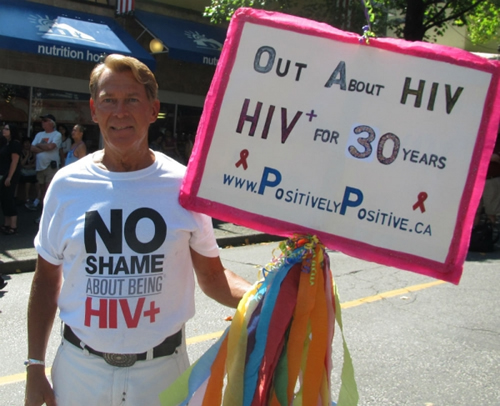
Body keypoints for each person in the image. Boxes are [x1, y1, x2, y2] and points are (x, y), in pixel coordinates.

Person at [24, 54, 251, 406]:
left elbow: (214, 278)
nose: (120, 111)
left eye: (132, 99)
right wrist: (35, 367)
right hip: (79, 373)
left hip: (163, 375)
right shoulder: (66, 184)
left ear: (152, 109)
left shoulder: (185, 187)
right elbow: (45, 282)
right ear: (94, 110)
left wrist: (269, 296)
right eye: (108, 101)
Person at [25, 115, 62, 212]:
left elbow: (51, 147)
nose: (42, 122)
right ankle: (43, 213)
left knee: (49, 191)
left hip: (50, 166)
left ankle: (49, 213)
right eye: (42, 120)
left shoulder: (57, 134)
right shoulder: (39, 134)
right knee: (41, 191)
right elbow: (32, 148)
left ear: (52, 123)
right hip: (40, 167)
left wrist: (39, 145)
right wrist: (44, 147)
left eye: (45, 120)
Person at [0, 123, 22, 234]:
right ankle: (6, 223)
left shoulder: (15, 144)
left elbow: (15, 161)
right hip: (3, 174)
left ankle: (13, 225)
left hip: (11, 175)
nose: (4, 130)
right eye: (4, 128)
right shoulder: (5, 143)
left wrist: (9, 177)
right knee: (4, 198)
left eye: (7, 129)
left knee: (9, 198)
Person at [18, 137, 37, 203]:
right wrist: (27, 155)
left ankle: (37, 198)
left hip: (32, 171)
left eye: (28, 143)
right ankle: (26, 197)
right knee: (28, 180)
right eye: (25, 143)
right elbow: (22, 164)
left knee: (36, 180)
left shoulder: (33, 152)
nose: (27, 144)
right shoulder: (20, 152)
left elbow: (35, 163)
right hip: (23, 172)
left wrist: (30, 166)